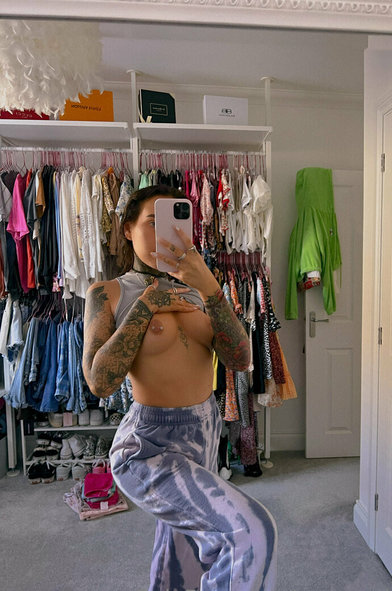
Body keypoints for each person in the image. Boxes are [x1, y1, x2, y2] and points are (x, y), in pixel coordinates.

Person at [82, 185, 277, 591]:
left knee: (182, 560)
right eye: (152, 223)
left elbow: (240, 359)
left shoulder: (200, 290)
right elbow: (100, 382)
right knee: (250, 533)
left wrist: (211, 289)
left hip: (204, 432)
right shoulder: (108, 294)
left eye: (173, 223)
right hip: (149, 444)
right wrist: (147, 304)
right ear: (127, 229)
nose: (164, 234)